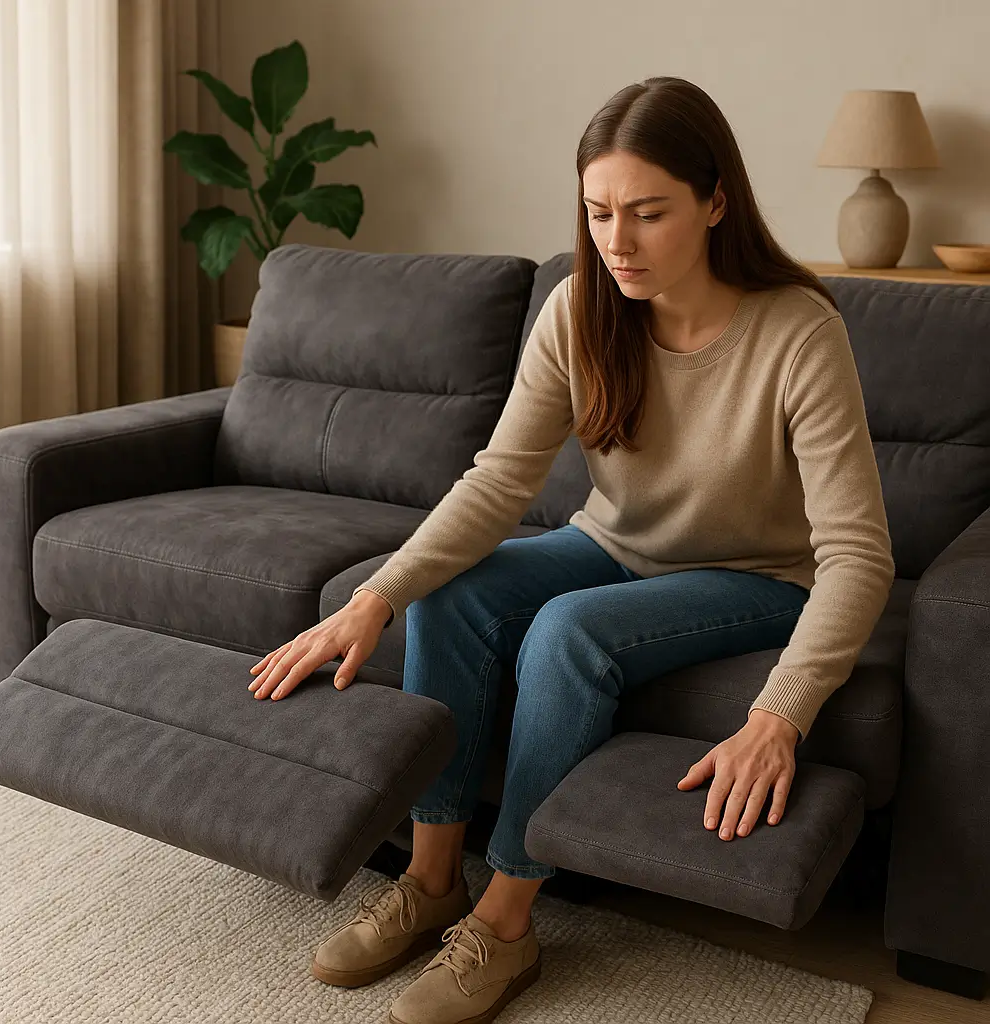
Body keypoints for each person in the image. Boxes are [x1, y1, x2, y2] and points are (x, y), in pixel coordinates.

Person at [246, 75, 895, 1024]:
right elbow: (499, 482)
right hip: (614, 541)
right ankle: (434, 882)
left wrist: (779, 714)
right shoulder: (579, 311)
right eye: (598, 213)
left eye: (648, 213)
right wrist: (374, 598)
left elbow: (857, 553)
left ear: (717, 202)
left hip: (758, 576)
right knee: (453, 596)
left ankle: (507, 923)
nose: (617, 242)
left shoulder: (799, 332)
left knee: (567, 632)